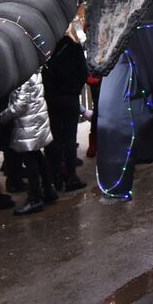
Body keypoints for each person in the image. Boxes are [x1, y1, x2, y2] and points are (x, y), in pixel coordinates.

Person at [0, 75, 58, 216]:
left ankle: (35, 199)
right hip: (36, 119)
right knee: (37, 154)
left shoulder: (23, 74)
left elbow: (21, 103)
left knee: (30, 158)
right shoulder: (34, 70)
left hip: (28, 123)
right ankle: (49, 190)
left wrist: (3, 116)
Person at [42, 21, 89, 191]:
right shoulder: (74, 47)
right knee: (70, 138)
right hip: (70, 98)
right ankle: (71, 176)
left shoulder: (45, 51)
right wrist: (75, 89)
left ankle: (55, 176)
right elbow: (84, 72)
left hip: (52, 99)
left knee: (54, 138)